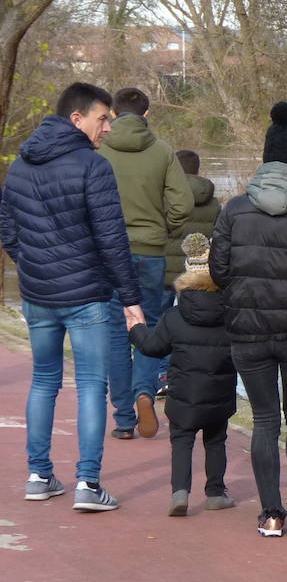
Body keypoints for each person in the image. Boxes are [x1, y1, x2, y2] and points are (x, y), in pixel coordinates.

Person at [1, 82, 142, 511]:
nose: (107, 130)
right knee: (90, 386)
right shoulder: (92, 166)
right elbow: (112, 239)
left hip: (38, 293)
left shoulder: (21, 164)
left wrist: (28, 263)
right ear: (76, 118)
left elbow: (6, 226)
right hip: (88, 297)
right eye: (102, 120)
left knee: (44, 380)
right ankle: (87, 484)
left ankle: (39, 475)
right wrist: (130, 298)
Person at [210, 102, 287, 537]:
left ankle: (271, 513)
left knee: (264, 420)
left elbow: (219, 272)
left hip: (248, 332)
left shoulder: (233, 210)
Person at [99, 86, 193, 439]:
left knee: (116, 334)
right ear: (147, 115)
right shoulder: (163, 152)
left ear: (112, 112)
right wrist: (160, 231)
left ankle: (123, 418)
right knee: (150, 328)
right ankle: (144, 392)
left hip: (108, 254)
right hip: (151, 254)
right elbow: (182, 206)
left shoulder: (99, 151)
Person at [129, 233, 237, 516]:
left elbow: (153, 348)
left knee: (181, 440)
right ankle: (215, 492)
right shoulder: (231, 314)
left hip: (183, 392)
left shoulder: (173, 317)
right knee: (215, 441)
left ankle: (180, 493)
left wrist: (136, 329)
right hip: (219, 393)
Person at [157, 150, 222, 395]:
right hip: (196, 274)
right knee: (192, 326)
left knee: (161, 323)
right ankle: (186, 374)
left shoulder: (165, 198)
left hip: (164, 272)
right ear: (198, 169)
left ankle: (162, 375)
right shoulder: (213, 202)